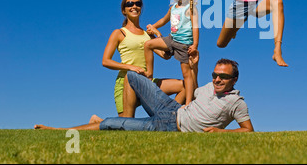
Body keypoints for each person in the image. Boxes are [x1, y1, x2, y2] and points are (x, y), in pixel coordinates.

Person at [34, 54, 254, 133]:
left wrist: (220, 132)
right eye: (215, 74)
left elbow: (248, 131)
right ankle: (127, 121)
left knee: (112, 123)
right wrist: (193, 65)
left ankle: (59, 129)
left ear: (234, 80)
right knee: (133, 76)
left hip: (168, 127)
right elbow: (191, 86)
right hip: (170, 109)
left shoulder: (236, 102)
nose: (217, 79)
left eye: (222, 77)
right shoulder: (208, 86)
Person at [102, 0, 185, 116]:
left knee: (183, 86)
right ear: (124, 10)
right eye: (130, 4)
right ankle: (97, 121)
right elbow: (105, 61)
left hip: (147, 81)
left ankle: (169, 118)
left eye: (138, 4)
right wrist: (131, 67)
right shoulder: (119, 33)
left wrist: (158, 35)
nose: (134, 6)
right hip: (126, 82)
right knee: (125, 125)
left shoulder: (147, 34)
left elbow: (165, 56)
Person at [144, 0, 199, 105]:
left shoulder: (191, 8)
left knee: (187, 75)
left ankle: (188, 103)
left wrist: (195, 45)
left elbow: (196, 27)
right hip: (171, 39)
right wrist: (154, 26)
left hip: (183, 44)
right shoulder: (173, 7)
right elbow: (164, 20)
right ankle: (149, 74)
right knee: (148, 44)